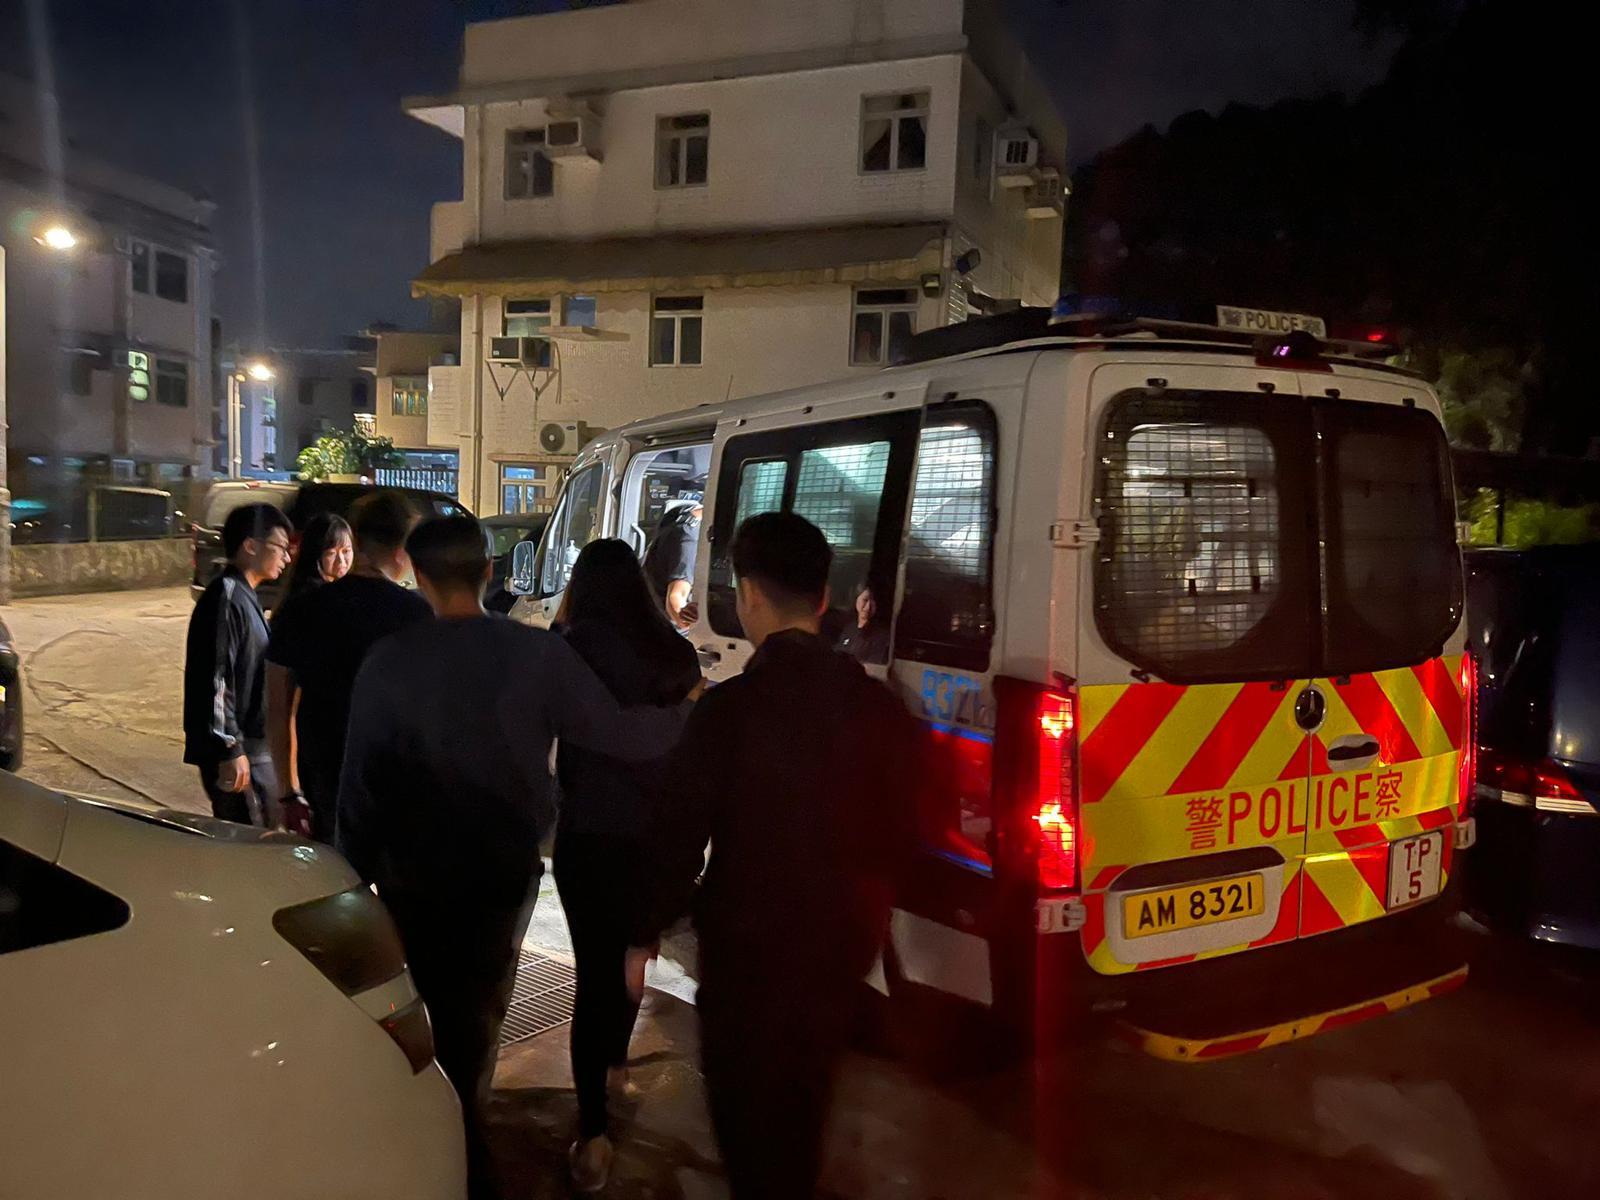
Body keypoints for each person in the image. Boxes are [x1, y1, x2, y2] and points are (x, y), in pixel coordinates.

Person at [338, 516, 692, 1200]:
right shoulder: (536, 653)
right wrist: (690, 712)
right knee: (479, 1011)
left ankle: (435, 1140)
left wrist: (353, 875)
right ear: (489, 571)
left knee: (425, 1004)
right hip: (499, 868)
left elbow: (360, 783)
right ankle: (465, 1150)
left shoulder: (387, 660)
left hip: (411, 870)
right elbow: (619, 734)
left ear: (417, 574)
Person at [628, 512, 917, 1200]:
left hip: (749, 958)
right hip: (841, 951)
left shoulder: (730, 710)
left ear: (749, 593)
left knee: (750, 1128)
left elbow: (676, 837)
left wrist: (642, 932)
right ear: (823, 597)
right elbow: (902, 833)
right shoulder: (877, 707)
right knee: (804, 1111)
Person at [554, 540, 702, 1191]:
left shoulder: (567, 652)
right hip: (656, 843)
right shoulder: (676, 654)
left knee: (594, 975)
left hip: (589, 837)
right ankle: (615, 1063)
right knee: (634, 956)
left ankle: (593, 1133)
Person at [265, 490, 430, 841]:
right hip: (395, 783)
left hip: (323, 776)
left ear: (355, 538)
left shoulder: (302, 609)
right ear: (402, 551)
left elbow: (278, 707)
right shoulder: (417, 615)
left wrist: (288, 791)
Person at [182, 502, 293, 825]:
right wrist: (229, 747)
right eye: (280, 547)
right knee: (249, 839)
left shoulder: (245, 597)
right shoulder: (226, 598)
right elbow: (216, 676)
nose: (286, 558)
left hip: (254, 748)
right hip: (238, 751)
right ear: (250, 546)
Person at [641, 495, 702, 628]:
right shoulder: (690, 539)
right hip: (664, 627)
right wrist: (698, 630)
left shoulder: (682, 516)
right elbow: (675, 599)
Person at [279, 511, 353, 607]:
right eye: (331, 553)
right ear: (315, 554)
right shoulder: (314, 595)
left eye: (346, 551)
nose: (341, 561)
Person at [836, 581, 891, 665]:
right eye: (865, 600)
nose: (868, 607)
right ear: (856, 600)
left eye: (872, 602)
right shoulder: (849, 629)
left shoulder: (882, 635)